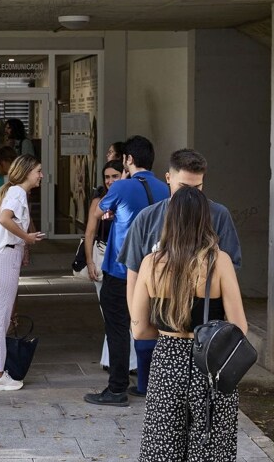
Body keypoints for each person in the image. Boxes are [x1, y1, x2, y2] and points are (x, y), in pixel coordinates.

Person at [122, 187, 247, 462]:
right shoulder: (218, 262)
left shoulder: (152, 263)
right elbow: (240, 326)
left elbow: (139, 329)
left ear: (170, 221)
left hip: (168, 364)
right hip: (209, 370)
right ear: (205, 222)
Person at [119, 149, 243, 396]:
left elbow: (229, 283)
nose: (191, 195)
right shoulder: (147, 219)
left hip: (204, 344)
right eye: (185, 186)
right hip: (161, 334)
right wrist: (139, 323)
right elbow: (132, 277)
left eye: (198, 188)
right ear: (168, 178)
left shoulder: (219, 215)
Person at [84, 135, 169, 408]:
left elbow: (99, 211)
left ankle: (117, 388)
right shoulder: (165, 188)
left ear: (128, 160)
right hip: (156, 269)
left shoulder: (122, 187)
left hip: (121, 270)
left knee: (118, 328)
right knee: (153, 325)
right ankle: (149, 384)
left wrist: (116, 201)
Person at [0, 155, 46, 391]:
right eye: (38, 171)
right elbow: (4, 219)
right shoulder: (18, 193)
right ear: (28, 171)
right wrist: (25, 238)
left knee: (0, 316)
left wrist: (18, 243)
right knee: (2, 318)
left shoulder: (10, 191)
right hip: (5, 258)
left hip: (2, 256)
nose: (41, 175)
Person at [84, 159, 136, 376]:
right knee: (110, 313)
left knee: (128, 313)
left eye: (115, 176)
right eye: (107, 177)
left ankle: (125, 362)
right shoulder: (99, 200)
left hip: (126, 260)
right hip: (103, 254)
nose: (110, 181)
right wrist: (89, 261)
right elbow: (89, 232)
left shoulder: (130, 195)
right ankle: (111, 359)